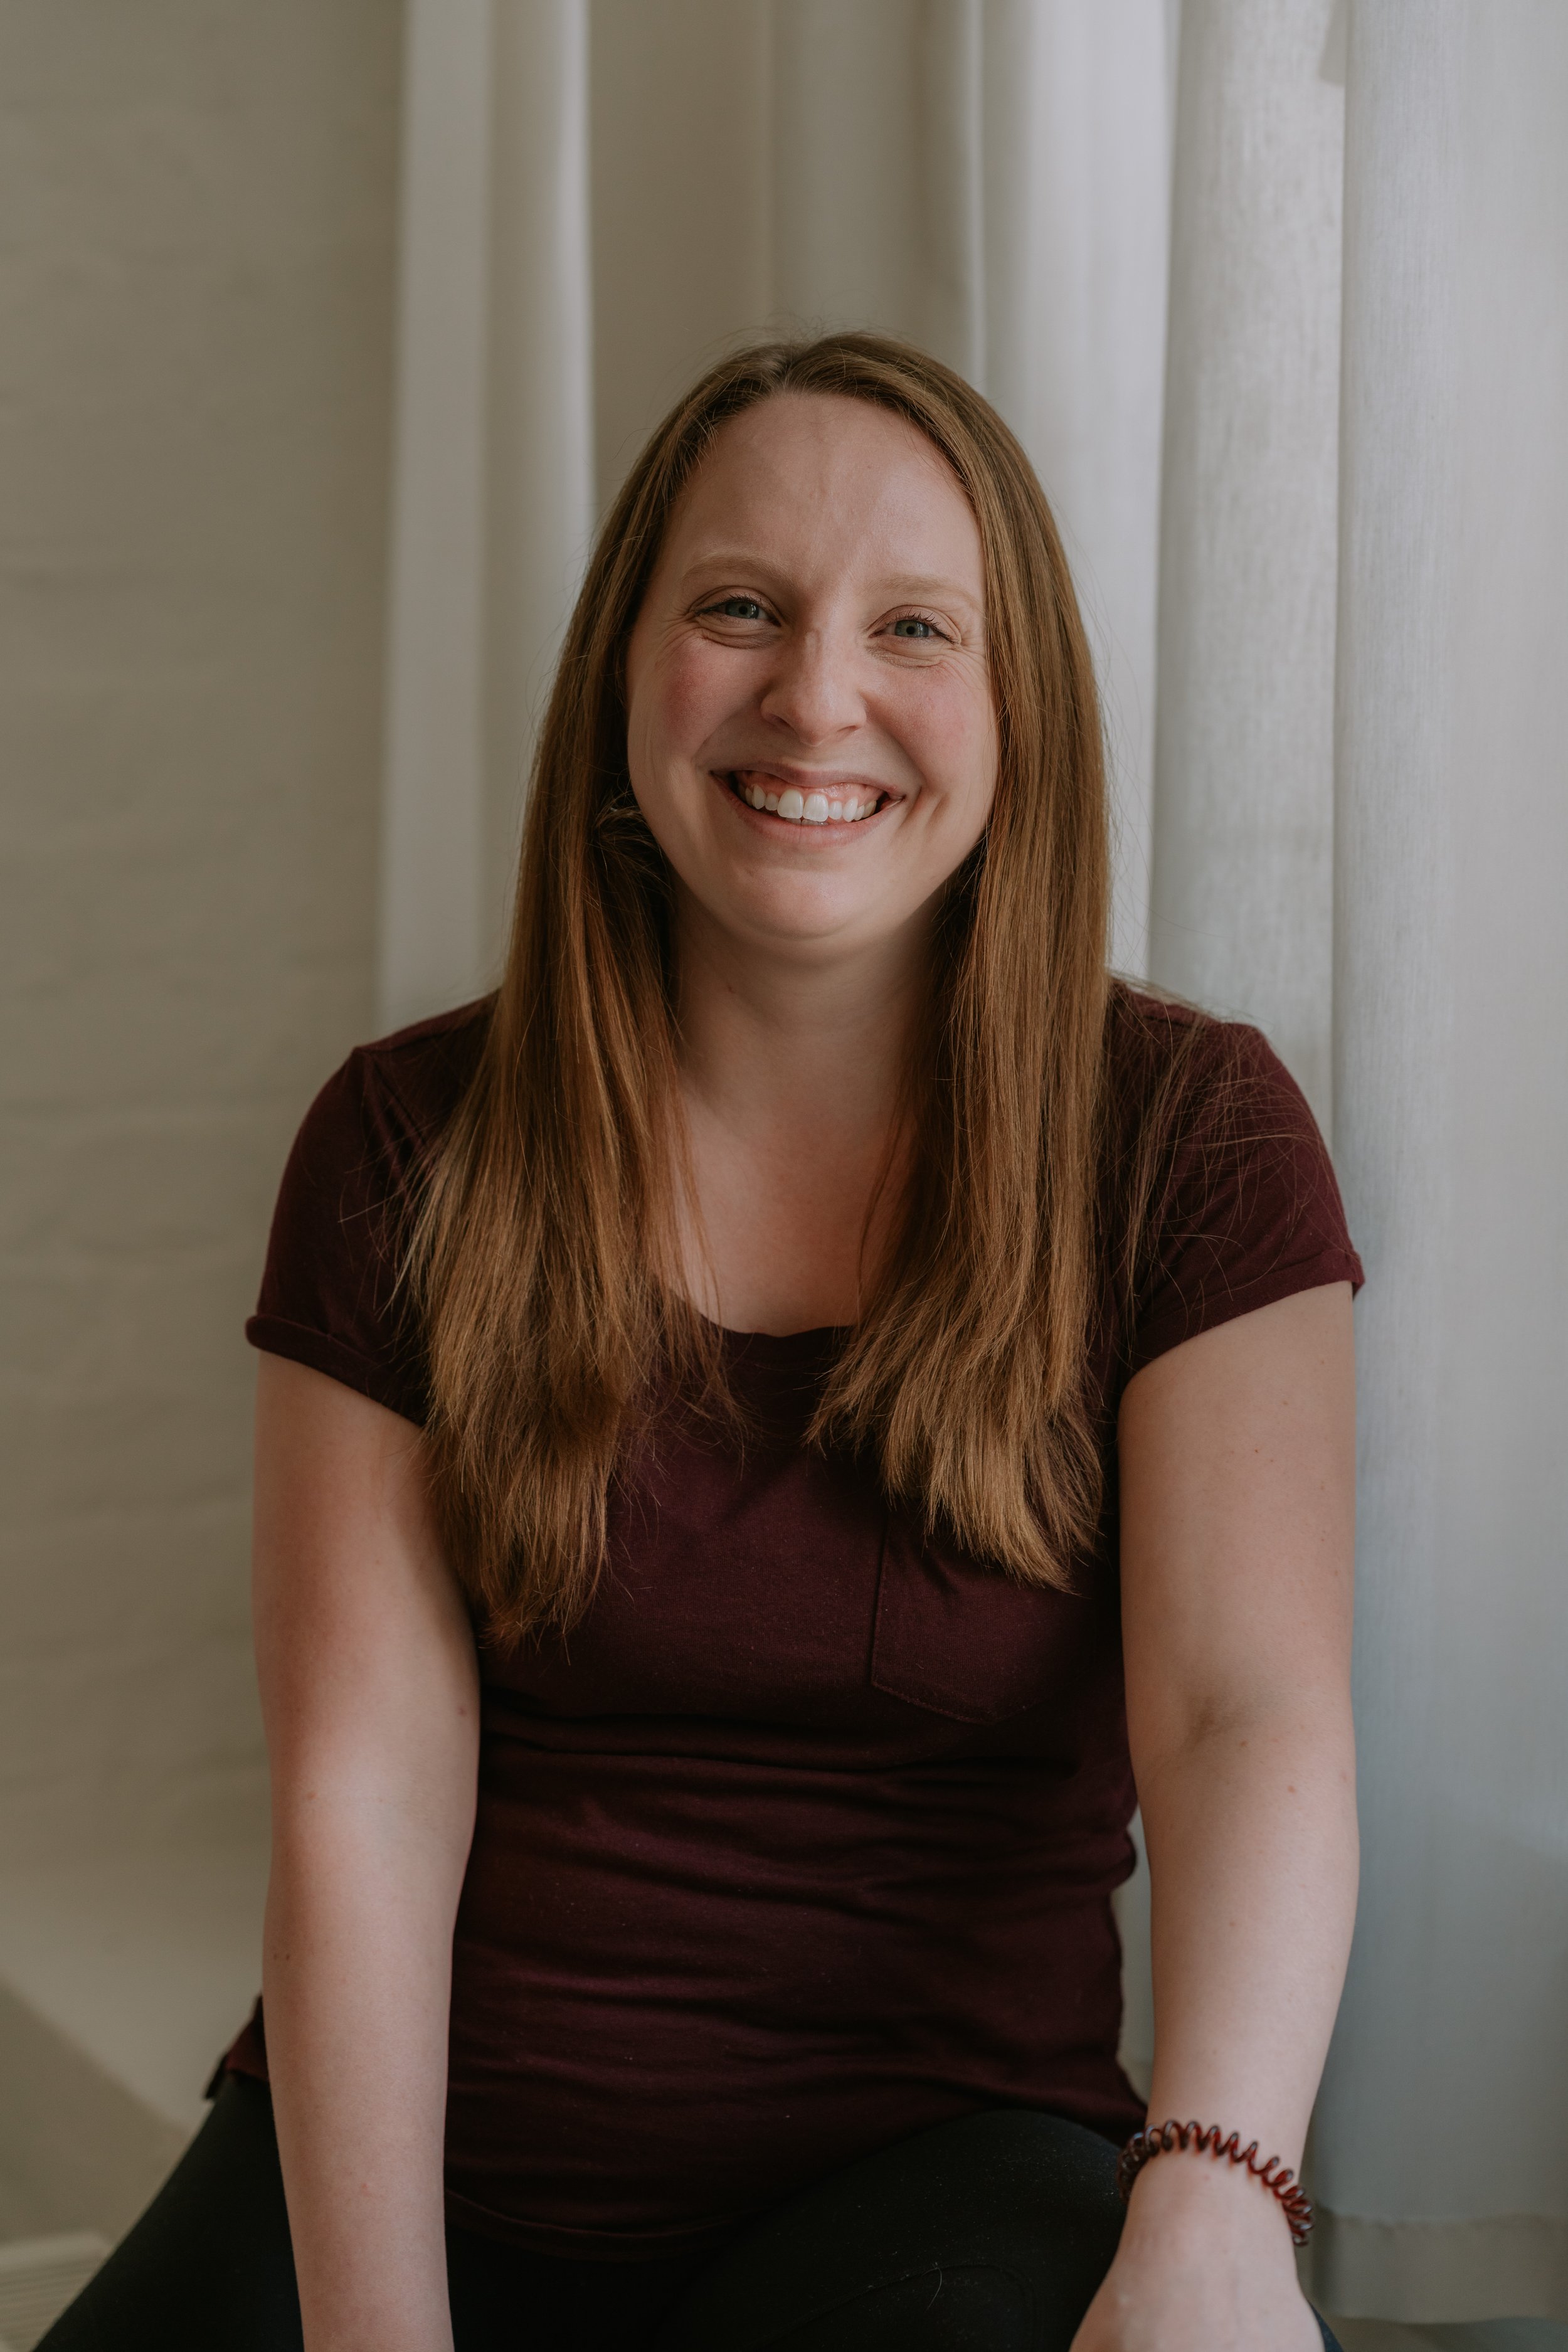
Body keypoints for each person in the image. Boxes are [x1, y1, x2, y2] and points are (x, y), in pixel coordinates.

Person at [43, 334, 1360, 2352]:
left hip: (933, 2180)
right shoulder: (407, 1144)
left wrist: (1217, 2200)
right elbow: (366, 1794)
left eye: (913, 625)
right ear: (623, 674)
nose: (815, 694)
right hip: (425, 2162)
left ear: (1020, 708)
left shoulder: (1189, 1140)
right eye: (738, 605)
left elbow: (1244, 1715)